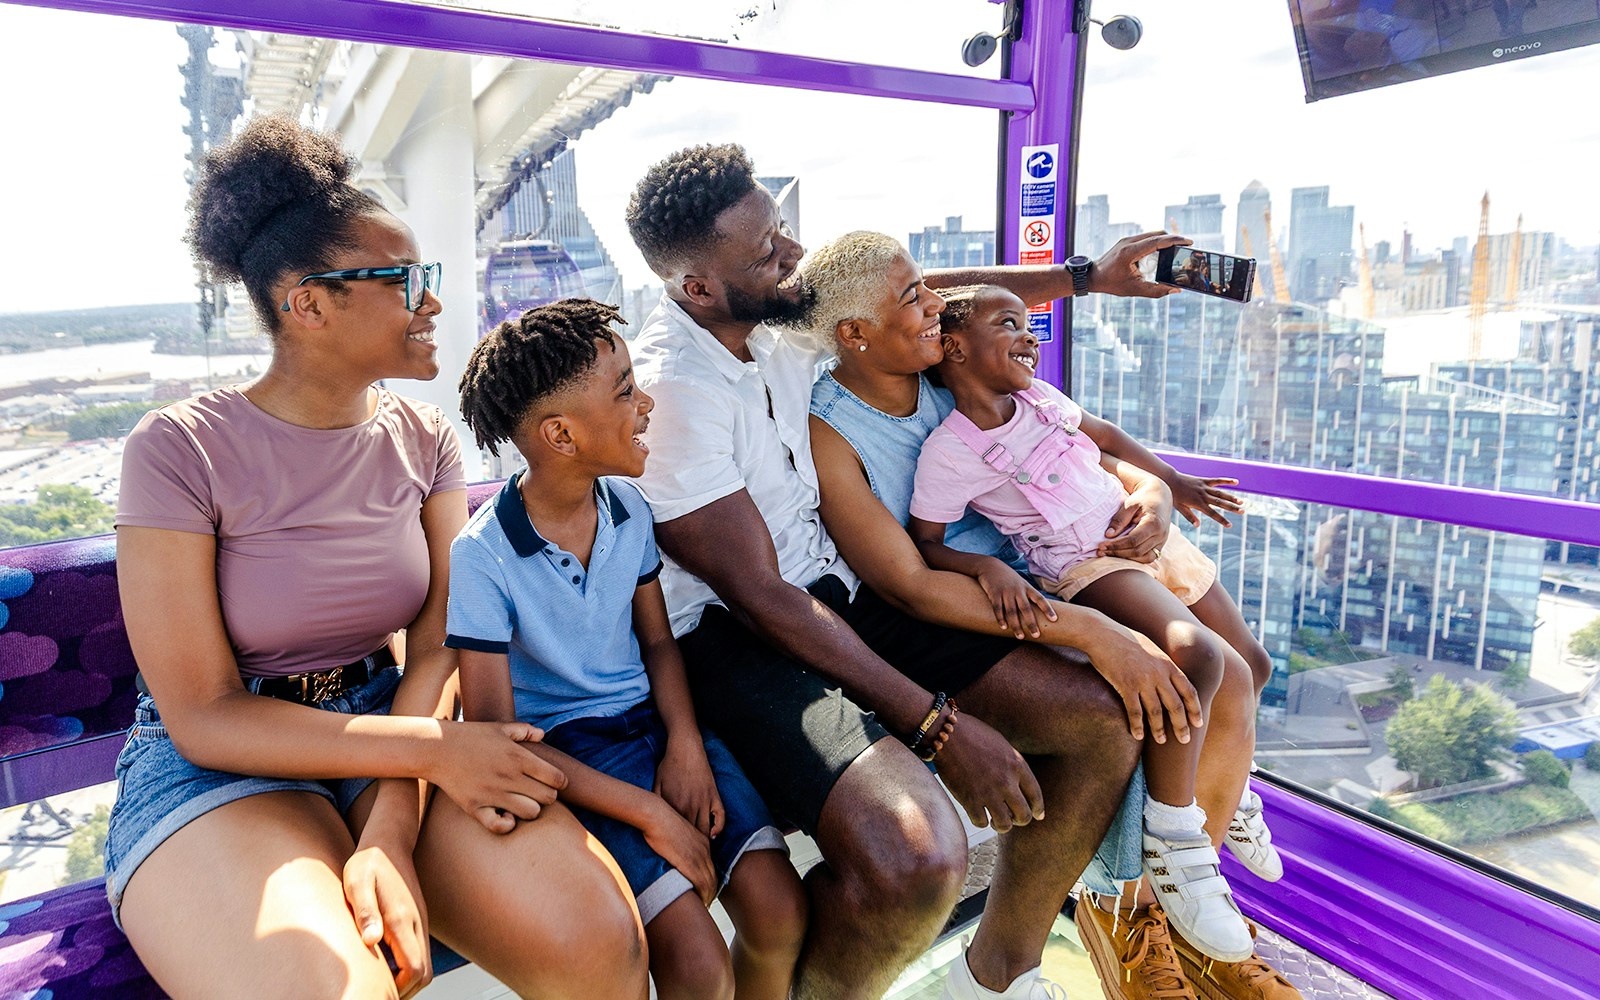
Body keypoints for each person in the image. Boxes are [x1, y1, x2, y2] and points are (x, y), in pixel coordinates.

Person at [623, 142, 1194, 1000]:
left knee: (1103, 721)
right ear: (697, 288)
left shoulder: (770, 310)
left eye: (781, 231)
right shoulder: (676, 392)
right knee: (920, 854)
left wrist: (1082, 276)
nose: (791, 256)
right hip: (736, 636)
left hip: (842, 596)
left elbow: (911, 292)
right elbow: (766, 600)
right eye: (767, 250)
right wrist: (937, 726)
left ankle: (998, 974)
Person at [107, 115, 647, 1000]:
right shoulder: (179, 450)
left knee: (598, 940)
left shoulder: (424, 440)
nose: (432, 300)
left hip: (389, 722)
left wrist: (394, 820)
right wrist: (430, 751)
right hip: (223, 758)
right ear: (308, 302)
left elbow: (436, 645)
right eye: (404, 280)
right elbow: (204, 711)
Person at [800, 232, 1301, 1000]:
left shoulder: (947, 363)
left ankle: (1172, 911)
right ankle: (1105, 922)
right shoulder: (836, 427)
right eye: (913, 298)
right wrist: (1090, 631)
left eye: (931, 296)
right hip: (962, 598)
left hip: (1039, 570)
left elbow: (1078, 434)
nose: (933, 303)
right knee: (1146, 693)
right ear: (854, 333)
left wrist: (1156, 489)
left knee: (1232, 672)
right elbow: (909, 582)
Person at [447, 299, 806, 1000]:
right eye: (625, 391)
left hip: (657, 729)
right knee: (697, 967)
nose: (647, 404)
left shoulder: (629, 510)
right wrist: (650, 813)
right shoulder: (482, 558)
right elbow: (500, 742)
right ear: (561, 434)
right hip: (571, 759)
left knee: (780, 912)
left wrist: (685, 747)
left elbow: (657, 644)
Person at [908, 283, 1276, 964]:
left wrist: (1168, 484)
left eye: (1030, 324)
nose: (1029, 336)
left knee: (1253, 665)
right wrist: (985, 568)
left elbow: (1106, 439)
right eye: (1007, 323)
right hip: (1091, 567)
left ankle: (1234, 792)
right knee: (1200, 658)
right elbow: (927, 540)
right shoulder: (950, 450)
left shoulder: (1041, 403)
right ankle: (1174, 835)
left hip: (1148, 539)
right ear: (953, 346)